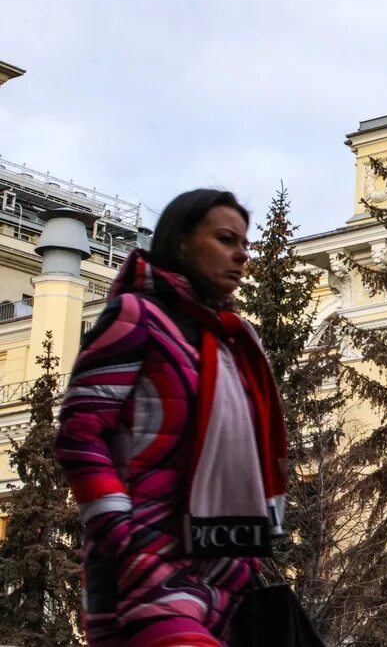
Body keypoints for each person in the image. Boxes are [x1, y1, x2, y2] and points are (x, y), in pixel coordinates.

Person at [56, 189, 287, 646]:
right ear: (181, 242)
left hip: (227, 569)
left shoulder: (234, 341)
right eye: (225, 239)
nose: (241, 255)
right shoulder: (135, 317)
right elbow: (81, 433)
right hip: (148, 561)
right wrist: (120, 532)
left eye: (245, 244)